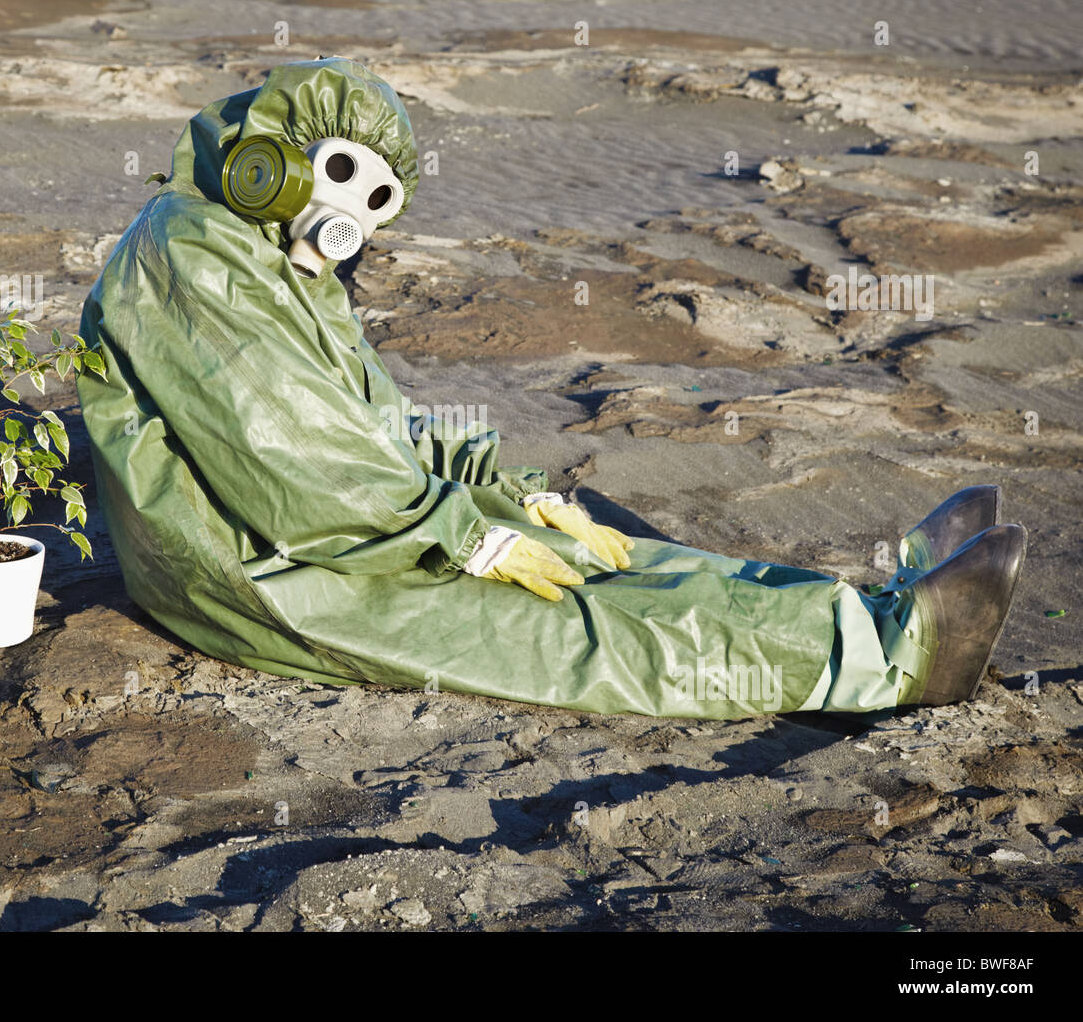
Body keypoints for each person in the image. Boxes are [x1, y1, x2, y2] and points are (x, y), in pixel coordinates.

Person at [75, 57, 1026, 719]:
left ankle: (879, 607)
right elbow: (299, 473)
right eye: (338, 176)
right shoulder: (189, 256)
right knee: (581, 631)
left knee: (621, 563)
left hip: (355, 526)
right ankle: (897, 659)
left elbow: (373, 421)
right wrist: (464, 533)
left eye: (375, 201)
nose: (346, 220)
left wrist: (508, 492)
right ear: (267, 155)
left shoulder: (275, 265)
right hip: (278, 574)